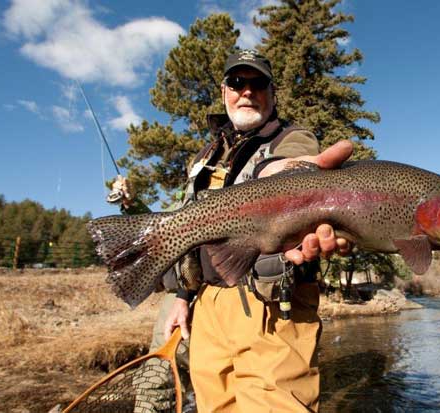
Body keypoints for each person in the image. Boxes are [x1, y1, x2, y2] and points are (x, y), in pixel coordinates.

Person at [117, 49, 352, 412]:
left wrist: (279, 177)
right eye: (237, 83)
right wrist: (182, 295)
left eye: (258, 84)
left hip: (272, 305)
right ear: (224, 91)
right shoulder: (204, 157)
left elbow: (283, 168)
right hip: (208, 306)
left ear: (272, 94)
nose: (247, 91)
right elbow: (192, 234)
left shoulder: (293, 139)